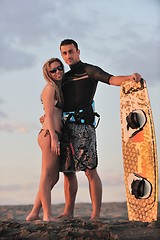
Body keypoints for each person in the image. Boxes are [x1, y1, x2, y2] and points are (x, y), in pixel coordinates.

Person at [58, 39, 142, 220]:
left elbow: (111, 79)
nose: (68, 56)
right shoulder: (63, 78)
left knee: (89, 170)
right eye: (64, 53)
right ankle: (68, 212)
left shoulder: (89, 70)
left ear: (78, 52)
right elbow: (57, 104)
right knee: (68, 171)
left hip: (84, 127)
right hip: (65, 128)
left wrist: (129, 78)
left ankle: (95, 214)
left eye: (71, 51)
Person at [26, 58, 64, 221]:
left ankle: (34, 212)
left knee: (53, 177)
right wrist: (54, 138)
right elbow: (48, 114)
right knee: (46, 174)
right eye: (53, 70)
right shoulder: (49, 88)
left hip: (53, 134)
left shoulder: (57, 88)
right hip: (49, 135)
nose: (58, 72)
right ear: (47, 74)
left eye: (59, 68)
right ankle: (47, 215)